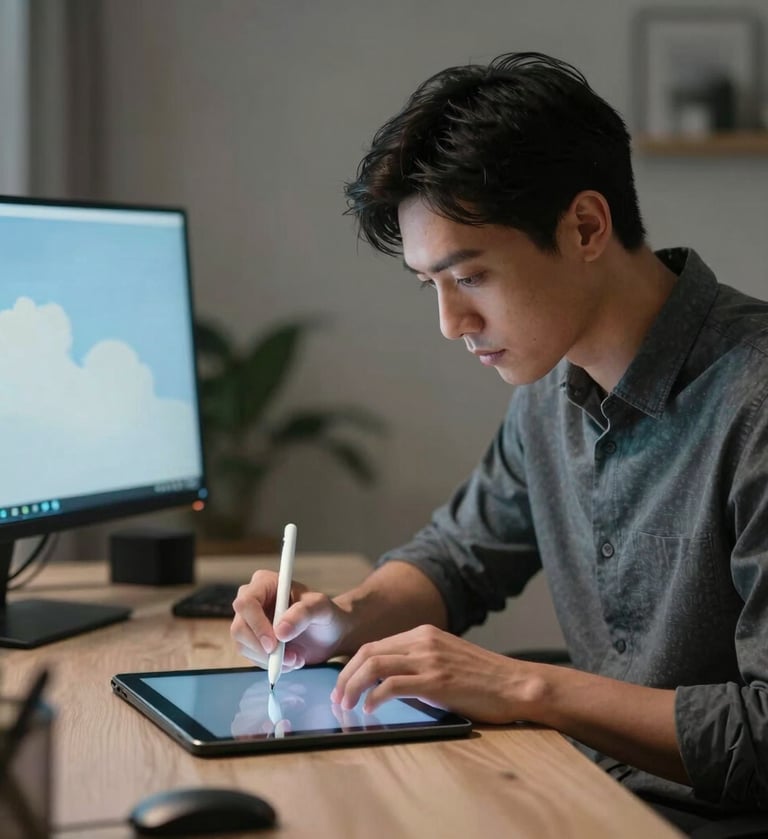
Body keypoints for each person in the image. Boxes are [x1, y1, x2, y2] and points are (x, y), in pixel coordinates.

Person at [231, 52, 768, 823]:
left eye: (471, 276)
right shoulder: (550, 386)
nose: (452, 324)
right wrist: (340, 619)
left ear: (586, 226)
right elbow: (459, 559)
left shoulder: (755, 399)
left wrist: (524, 687)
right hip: (588, 793)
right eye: (431, 287)